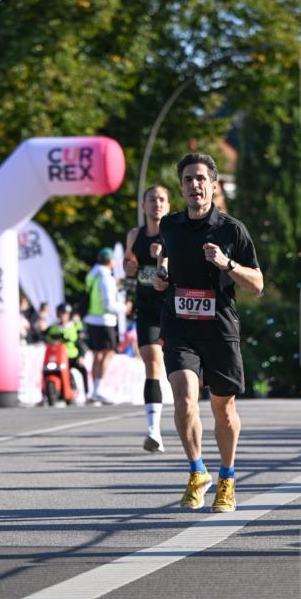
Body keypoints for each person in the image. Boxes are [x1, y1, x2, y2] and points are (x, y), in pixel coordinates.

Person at [152, 152, 263, 512]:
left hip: (219, 329)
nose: (194, 185)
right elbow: (165, 260)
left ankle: (227, 478)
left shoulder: (232, 230)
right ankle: (197, 471)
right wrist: (160, 277)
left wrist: (227, 263)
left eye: (201, 178)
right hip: (180, 325)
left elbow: (258, 284)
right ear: (181, 187)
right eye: (187, 179)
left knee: (223, 409)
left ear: (213, 185)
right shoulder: (170, 225)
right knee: (184, 399)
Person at [124, 184, 171, 452]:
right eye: (152, 199)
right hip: (147, 310)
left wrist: (163, 259)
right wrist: (129, 267)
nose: (157, 203)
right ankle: (154, 431)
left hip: (172, 309)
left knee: (176, 369)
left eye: (162, 199)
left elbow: (180, 267)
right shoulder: (134, 235)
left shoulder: (173, 234)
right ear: (144, 206)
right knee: (152, 363)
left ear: (168, 205)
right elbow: (129, 266)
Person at [84, 247, 120, 404]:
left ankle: (95, 390)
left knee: (97, 355)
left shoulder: (92, 274)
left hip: (92, 319)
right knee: (107, 353)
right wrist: (123, 308)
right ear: (110, 261)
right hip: (105, 320)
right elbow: (109, 304)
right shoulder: (106, 277)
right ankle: (99, 389)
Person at [47, 303, 90, 397]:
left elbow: (80, 343)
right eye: (61, 313)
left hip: (72, 356)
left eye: (65, 313)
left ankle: (87, 393)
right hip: (58, 358)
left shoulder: (74, 327)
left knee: (83, 370)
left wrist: (81, 356)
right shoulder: (53, 328)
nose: (63, 316)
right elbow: (45, 337)